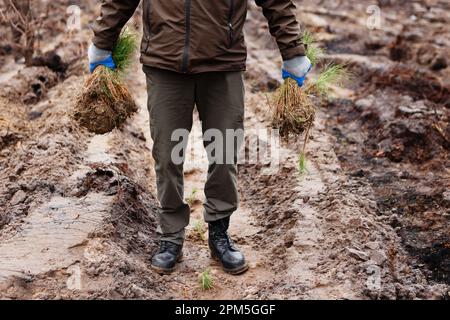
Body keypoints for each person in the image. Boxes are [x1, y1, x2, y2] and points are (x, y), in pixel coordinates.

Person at [88, 0, 311, 275]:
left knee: (224, 151)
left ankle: (219, 233)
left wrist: (293, 52)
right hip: (164, 63)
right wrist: (102, 41)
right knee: (168, 154)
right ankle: (171, 236)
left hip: (222, 63)